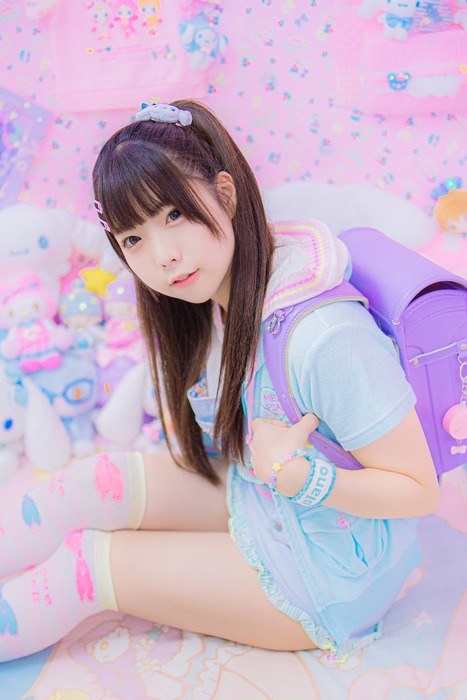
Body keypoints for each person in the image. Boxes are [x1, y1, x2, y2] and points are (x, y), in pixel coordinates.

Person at [0, 99, 440, 663]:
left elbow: (418, 489)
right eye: (133, 239)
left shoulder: (326, 335)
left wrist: (300, 477)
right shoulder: (223, 298)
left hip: (327, 573)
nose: (163, 255)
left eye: (173, 215)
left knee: (82, 568)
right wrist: (275, 475)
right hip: (261, 496)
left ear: (225, 195)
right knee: (89, 484)